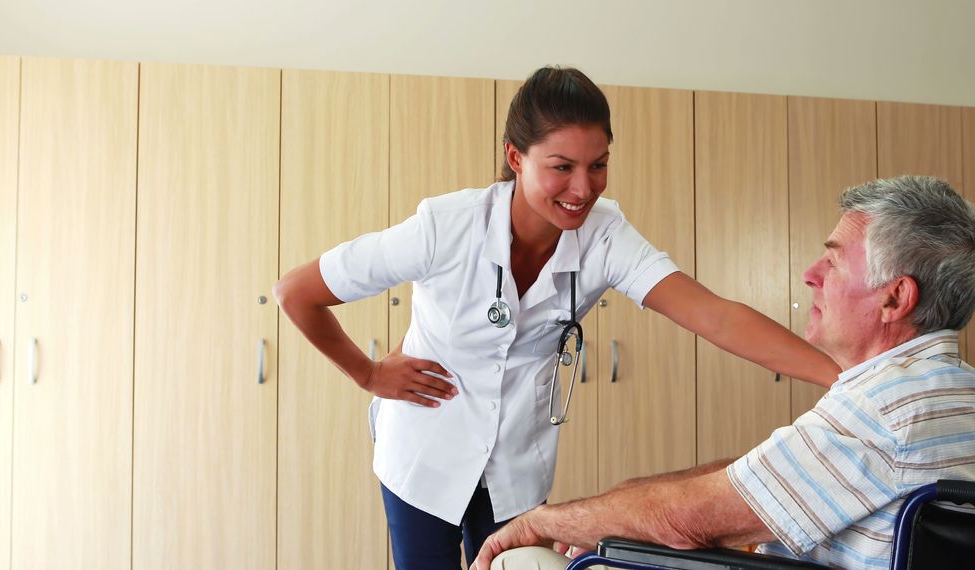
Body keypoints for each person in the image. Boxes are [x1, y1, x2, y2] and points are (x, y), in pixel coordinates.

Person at [273, 65, 839, 570]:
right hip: (424, 452)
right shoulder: (445, 227)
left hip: (516, 463)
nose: (583, 188)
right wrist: (370, 375)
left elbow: (714, 316)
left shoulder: (606, 235)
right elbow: (297, 291)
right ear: (516, 157)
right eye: (562, 166)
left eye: (598, 166)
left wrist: (842, 380)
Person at [472, 175, 975, 570]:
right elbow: (753, 476)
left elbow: (684, 520)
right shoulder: (951, 389)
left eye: (835, 262)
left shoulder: (884, 411)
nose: (810, 275)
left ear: (895, 297)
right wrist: (616, 504)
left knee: (522, 562)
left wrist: (545, 520)